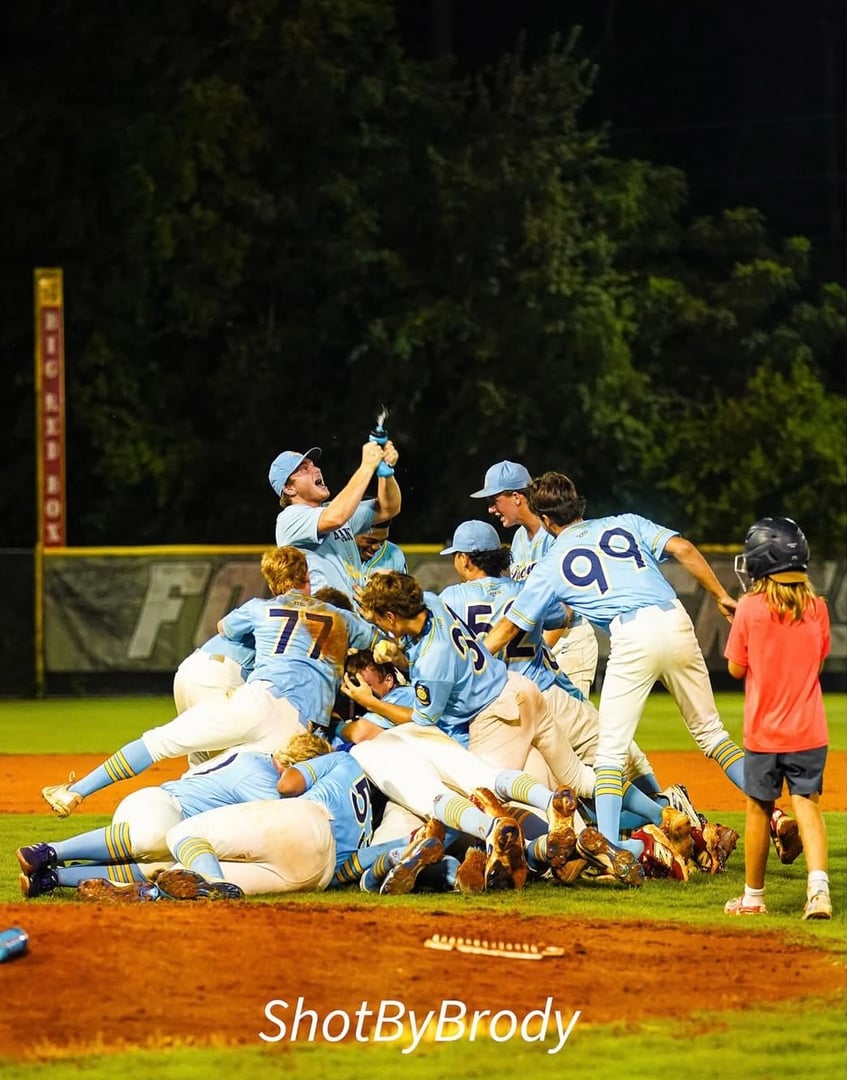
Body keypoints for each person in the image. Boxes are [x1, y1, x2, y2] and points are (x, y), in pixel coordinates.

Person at [483, 471, 747, 855]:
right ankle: (769, 811)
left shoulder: (551, 561)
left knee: (609, 755)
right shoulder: (626, 522)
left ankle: (608, 848)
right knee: (712, 735)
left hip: (631, 633)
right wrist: (721, 595)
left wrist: (473, 656)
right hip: (674, 618)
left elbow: (508, 628)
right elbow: (684, 548)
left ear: (545, 519)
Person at [353, 570, 645, 885]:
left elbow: (423, 720)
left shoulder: (431, 659)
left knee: (486, 794)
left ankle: (554, 847)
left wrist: (370, 703)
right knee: (576, 778)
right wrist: (398, 651)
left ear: (392, 616)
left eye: (380, 619)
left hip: (495, 716)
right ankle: (660, 814)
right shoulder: (435, 602)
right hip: (520, 687)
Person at [41, 547, 379, 818]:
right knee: (259, 790)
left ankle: (75, 792)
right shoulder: (339, 616)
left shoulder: (260, 607)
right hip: (295, 727)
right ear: (307, 578)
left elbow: (224, 628)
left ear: (273, 583)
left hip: (251, 697)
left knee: (164, 745)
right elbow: (378, 641)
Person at [17, 730, 333, 899]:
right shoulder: (260, 773)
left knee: (164, 868)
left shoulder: (262, 765)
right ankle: (49, 851)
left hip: (174, 827)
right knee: (156, 838)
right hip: (161, 805)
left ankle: (52, 878)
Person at [723, 517, 831, 920]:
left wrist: (741, 626)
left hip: (765, 733)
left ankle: (753, 898)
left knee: (759, 810)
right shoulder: (817, 608)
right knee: (808, 806)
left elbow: (736, 668)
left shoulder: (750, 607)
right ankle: (818, 892)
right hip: (809, 729)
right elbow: (816, 663)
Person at [471, 459, 598, 695]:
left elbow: (566, 610)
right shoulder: (519, 539)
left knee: (573, 729)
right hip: (537, 644)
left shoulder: (554, 531)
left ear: (517, 497)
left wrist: (534, 653)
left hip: (568, 641)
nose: (490, 509)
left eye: (494, 500)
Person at [269, 439, 401, 599]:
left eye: (313, 465)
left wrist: (384, 472)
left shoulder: (331, 510)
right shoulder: (289, 518)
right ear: (289, 488)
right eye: (304, 469)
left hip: (350, 616)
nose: (316, 469)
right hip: (322, 614)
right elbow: (336, 518)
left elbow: (389, 508)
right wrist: (366, 467)